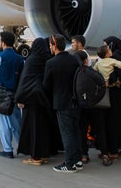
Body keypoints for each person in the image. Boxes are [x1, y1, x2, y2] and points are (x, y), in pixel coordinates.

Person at [15, 37, 57, 166]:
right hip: (45, 98)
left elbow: (25, 79)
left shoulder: (32, 60)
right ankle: (44, 154)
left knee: (33, 128)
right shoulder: (49, 59)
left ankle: (35, 157)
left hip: (32, 98)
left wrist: (19, 98)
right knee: (44, 127)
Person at [43, 34, 82, 172]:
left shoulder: (51, 63)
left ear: (54, 45)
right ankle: (78, 160)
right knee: (75, 131)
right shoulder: (74, 59)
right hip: (76, 101)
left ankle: (69, 163)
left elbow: (46, 85)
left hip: (62, 102)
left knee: (67, 133)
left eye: (50, 45)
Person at [0, 31, 24, 159]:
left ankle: (8, 149)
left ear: (2, 42)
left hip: (1, 94)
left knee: (3, 124)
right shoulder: (20, 58)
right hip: (14, 93)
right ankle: (22, 146)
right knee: (16, 122)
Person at [76, 50, 111, 166]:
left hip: (82, 107)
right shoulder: (93, 72)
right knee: (100, 130)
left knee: (82, 131)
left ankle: (84, 155)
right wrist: (95, 100)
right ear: (86, 60)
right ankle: (105, 154)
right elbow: (102, 86)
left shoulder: (76, 74)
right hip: (95, 106)